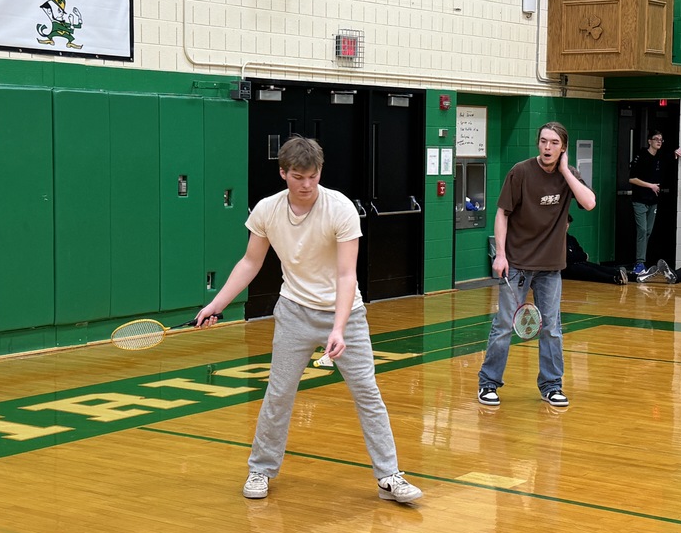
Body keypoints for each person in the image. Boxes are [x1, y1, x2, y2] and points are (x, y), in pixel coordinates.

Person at [194, 136, 422, 503]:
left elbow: (348, 275)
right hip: (294, 313)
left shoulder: (341, 209)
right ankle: (260, 469)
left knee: (368, 393)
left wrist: (338, 327)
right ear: (283, 173)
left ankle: (390, 477)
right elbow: (251, 262)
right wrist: (216, 305)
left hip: (346, 314)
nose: (306, 185)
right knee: (279, 393)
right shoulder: (267, 211)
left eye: (313, 176)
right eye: (298, 176)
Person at [477, 122, 597, 408]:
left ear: (563, 148)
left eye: (554, 143)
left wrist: (566, 171)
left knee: (552, 328)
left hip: (550, 267)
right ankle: (488, 383)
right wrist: (501, 255)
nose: (547, 147)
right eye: (543, 141)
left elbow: (589, 203)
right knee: (504, 324)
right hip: (516, 264)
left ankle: (552, 385)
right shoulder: (520, 172)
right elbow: (502, 214)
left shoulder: (569, 177)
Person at [628, 129, 681, 276]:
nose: (659, 141)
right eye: (656, 139)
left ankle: (642, 260)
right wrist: (650, 185)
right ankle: (639, 263)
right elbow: (631, 178)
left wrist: (676, 153)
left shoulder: (661, 157)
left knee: (649, 231)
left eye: (661, 139)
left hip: (653, 201)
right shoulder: (642, 155)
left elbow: (671, 157)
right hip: (640, 200)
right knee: (643, 230)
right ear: (649, 141)